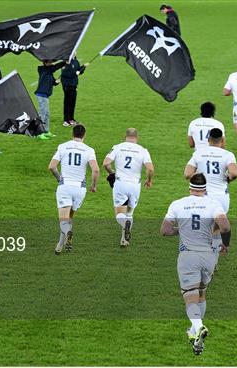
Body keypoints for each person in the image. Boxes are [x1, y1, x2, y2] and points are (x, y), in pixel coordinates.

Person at [160, 173, 231, 355]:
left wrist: (180, 230)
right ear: (205, 189)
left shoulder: (177, 204)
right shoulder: (213, 204)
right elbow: (225, 226)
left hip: (188, 257)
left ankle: (198, 327)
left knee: (190, 295)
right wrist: (226, 243)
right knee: (201, 294)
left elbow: (165, 231)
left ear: (189, 187)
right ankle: (195, 336)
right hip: (209, 257)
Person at [48, 124, 99, 254]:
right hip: (79, 189)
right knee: (69, 217)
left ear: (73, 134)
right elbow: (96, 170)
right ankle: (60, 244)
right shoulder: (89, 150)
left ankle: (67, 235)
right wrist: (93, 185)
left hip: (65, 187)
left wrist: (59, 179)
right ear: (84, 135)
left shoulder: (63, 146)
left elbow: (52, 167)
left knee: (63, 220)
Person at [102, 128, 154, 247]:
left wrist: (111, 172)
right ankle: (124, 240)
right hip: (135, 185)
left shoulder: (118, 147)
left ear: (125, 136)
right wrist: (149, 180)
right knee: (130, 212)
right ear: (137, 137)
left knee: (120, 213)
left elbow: (106, 163)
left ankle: (124, 226)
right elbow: (150, 169)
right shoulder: (143, 150)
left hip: (120, 184)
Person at [35, 60, 66, 140]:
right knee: (42, 114)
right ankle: (39, 133)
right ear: (45, 63)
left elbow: (53, 82)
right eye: (50, 62)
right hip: (41, 95)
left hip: (45, 96)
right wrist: (64, 62)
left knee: (47, 114)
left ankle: (46, 131)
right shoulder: (43, 69)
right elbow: (55, 67)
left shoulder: (49, 72)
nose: (52, 63)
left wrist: (56, 82)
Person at [60, 55, 87, 127]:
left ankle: (71, 119)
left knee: (72, 103)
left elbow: (78, 71)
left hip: (74, 85)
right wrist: (76, 72)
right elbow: (66, 74)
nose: (75, 52)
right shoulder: (66, 62)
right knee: (67, 102)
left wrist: (83, 67)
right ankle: (66, 120)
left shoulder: (75, 61)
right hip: (67, 85)